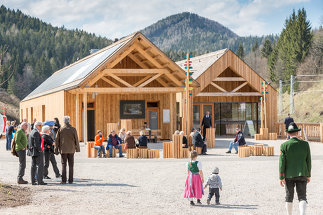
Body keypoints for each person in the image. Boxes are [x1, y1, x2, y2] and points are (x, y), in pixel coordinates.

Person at [279, 122, 311, 215]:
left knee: (289, 197)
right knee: (302, 197)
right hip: (302, 174)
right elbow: (308, 161)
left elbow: (282, 163)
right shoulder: (305, 144)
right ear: (297, 133)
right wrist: (308, 175)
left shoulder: (284, 146)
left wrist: (281, 176)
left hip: (289, 175)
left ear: (288, 134)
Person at [55, 116, 80, 184]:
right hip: (71, 149)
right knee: (71, 165)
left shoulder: (61, 129)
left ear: (63, 121)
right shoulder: (73, 129)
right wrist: (77, 148)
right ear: (69, 121)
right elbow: (76, 139)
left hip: (63, 150)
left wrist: (56, 149)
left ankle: (63, 180)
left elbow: (57, 140)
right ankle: (71, 180)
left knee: (64, 165)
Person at [28, 121, 47, 185]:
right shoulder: (36, 133)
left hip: (33, 152)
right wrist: (40, 150)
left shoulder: (32, 132)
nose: (41, 127)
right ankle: (40, 181)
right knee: (40, 166)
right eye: (40, 126)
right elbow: (37, 144)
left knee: (33, 166)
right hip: (37, 152)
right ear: (36, 126)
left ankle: (33, 181)